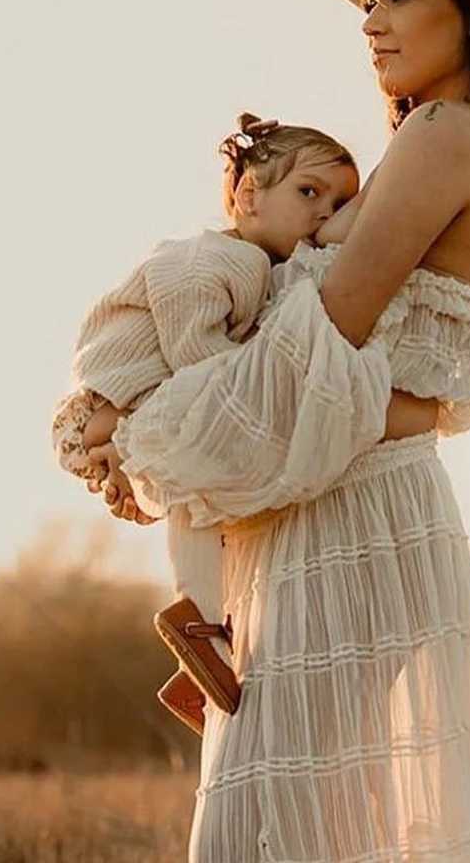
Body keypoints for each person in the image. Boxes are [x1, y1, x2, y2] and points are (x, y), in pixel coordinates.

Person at [89, 0, 470, 861]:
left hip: (352, 518)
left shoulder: (447, 135)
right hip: (331, 508)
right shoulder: (448, 140)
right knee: (311, 826)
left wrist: (146, 432)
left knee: (270, 830)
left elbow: (318, 348)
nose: (370, 20)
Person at [50, 113, 366, 734]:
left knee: (205, 506)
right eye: (309, 192)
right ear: (249, 196)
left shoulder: (258, 269)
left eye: (339, 203)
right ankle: (198, 622)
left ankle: (204, 648)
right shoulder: (216, 260)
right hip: (104, 407)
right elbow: (199, 358)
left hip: (133, 408)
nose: (324, 214)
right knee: (199, 481)